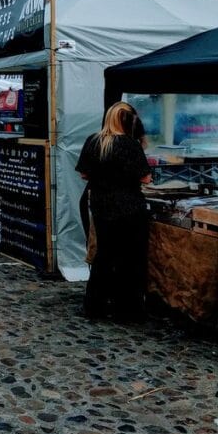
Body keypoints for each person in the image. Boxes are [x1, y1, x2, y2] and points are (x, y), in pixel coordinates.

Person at [76, 101, 152, 321]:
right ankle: (128, 310)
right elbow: (145, 178)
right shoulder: (130, 144)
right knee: (131, 259)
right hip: (130, 207)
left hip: (101, 205)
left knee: (105, 255)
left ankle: (95, 306)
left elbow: (84, 174)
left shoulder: (94, 141)